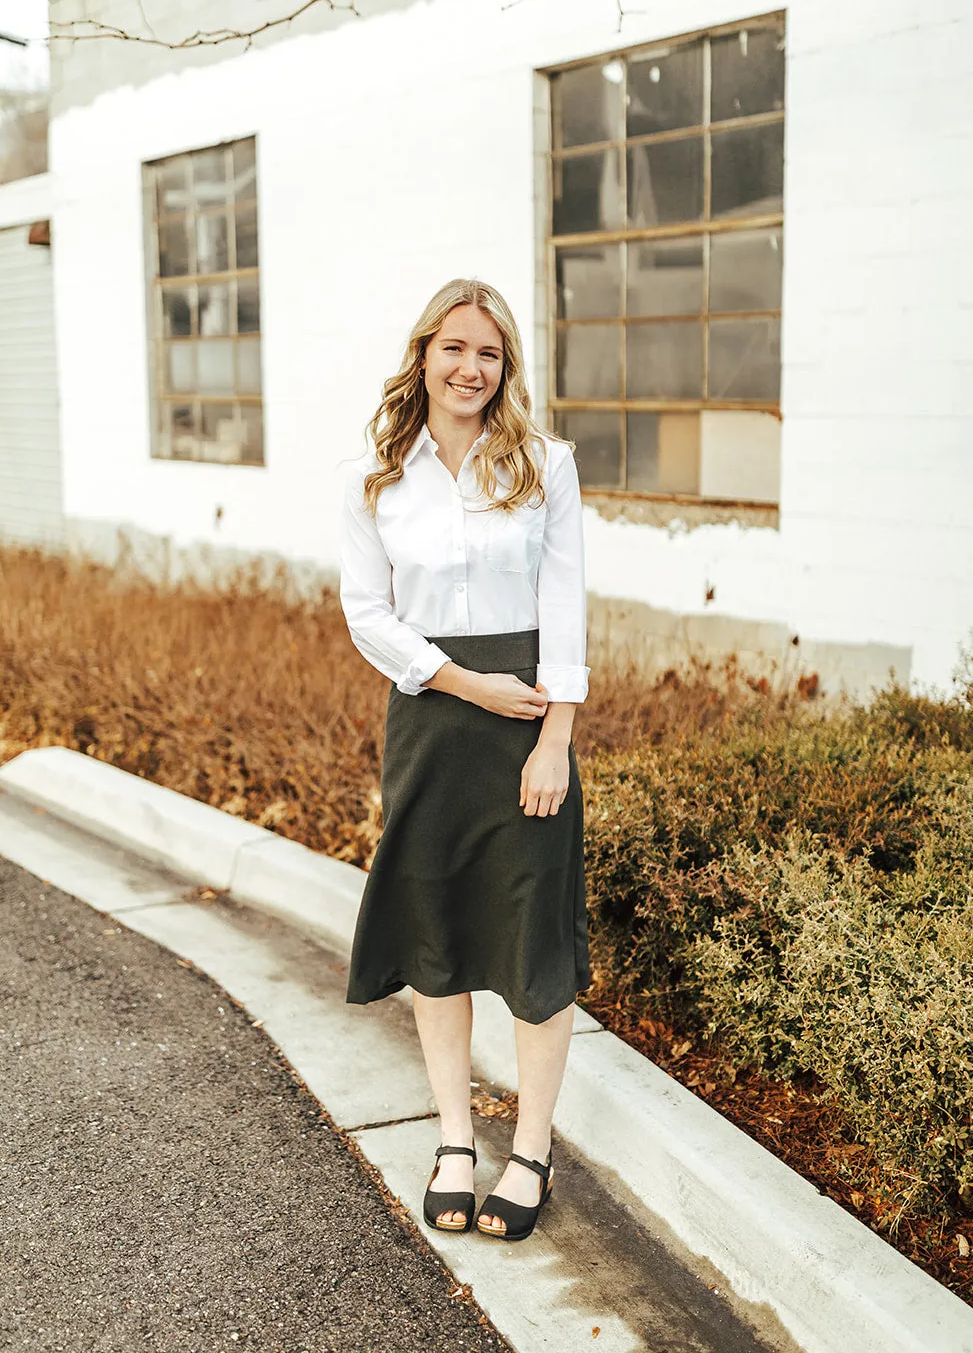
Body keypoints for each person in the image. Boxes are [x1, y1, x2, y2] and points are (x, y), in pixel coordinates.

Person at [338, 277, 591, 1243]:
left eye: (487, 353)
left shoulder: (543, 465)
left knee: (532, 942)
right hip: (432, 719)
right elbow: (368, 615)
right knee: (436, 930)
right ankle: (453, 1138)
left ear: (505, 365)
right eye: (453, 348)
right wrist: (462, 685)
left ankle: (529, 1148)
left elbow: (564, 606)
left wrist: (553, 740)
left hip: (529, 721)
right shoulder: (375, 470)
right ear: (424, 353)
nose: (469, 368)